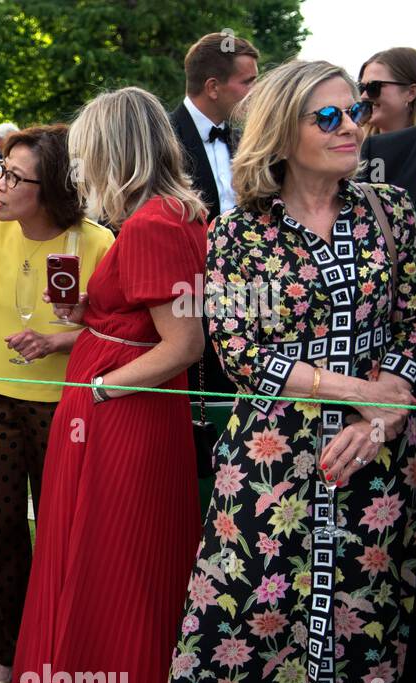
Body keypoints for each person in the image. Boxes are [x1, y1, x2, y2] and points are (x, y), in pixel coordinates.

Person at [153, 61, 416, 683]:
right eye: (330, 118)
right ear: (283, 134)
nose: (352, 128)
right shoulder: (240, 231)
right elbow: (241, 352)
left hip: (377, 462)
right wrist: (365, 390)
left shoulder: (391, 211)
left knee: (361, 616)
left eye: (355, 113)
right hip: (271, 457)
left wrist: (386, 408)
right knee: (245, 607)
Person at [13, 87, 207, 683]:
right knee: (122, 560)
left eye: (89, 151)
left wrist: (101, 387)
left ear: (114, 150)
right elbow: (134, 324)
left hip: (123, 421)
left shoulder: (155, 224)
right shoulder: (164, 216)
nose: (80, 167)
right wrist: (66, 338)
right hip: (123, 414)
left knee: (118, 565)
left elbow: (182, 344)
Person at [0, 124, 115, 683]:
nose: (0, 185)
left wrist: (58, 340)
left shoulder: (97, 243)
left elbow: (113, 331)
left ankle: (65, 657)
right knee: (0, 534)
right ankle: (5, 657)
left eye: (16, 177)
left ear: (51, 188)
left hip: (67, 407)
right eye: (1, 170)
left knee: (65, 534)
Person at [360, 57, 416, 683]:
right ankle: (395, 671)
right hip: (385, 391)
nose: (357, 111)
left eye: (370, 94)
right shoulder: (387, 157)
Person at [170, 32, 260, 422]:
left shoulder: (249, 138)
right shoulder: (163, 140)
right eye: (248, 82)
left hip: (255, 298)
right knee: (196, 418)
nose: (255, 92)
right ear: (213, 87)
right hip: (185, 300)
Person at [358, 47, 416, 136]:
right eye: (361, 88)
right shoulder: (355, 147)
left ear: (411, 93)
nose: (364, 96)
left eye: (373, 87)